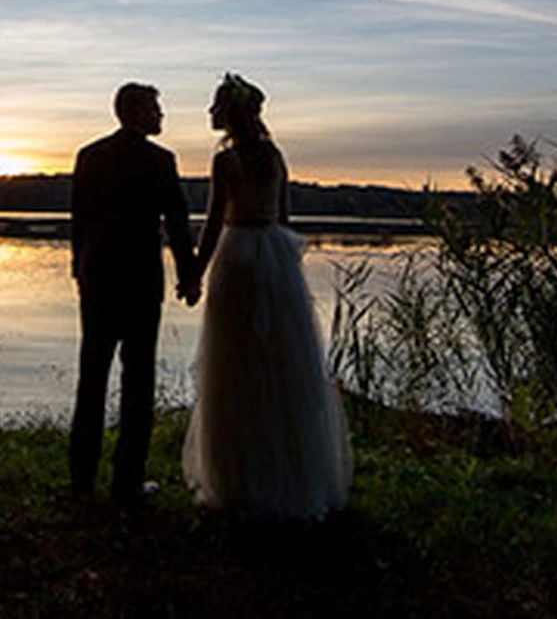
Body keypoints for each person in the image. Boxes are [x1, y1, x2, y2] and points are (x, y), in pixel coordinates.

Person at [183, 73, 352, 519]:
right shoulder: (275, 156)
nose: (210, 114)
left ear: (229, 114)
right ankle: (292, 476)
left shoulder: (226, 162)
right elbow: (283, 215)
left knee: (236, 364)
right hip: (276, 254)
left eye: (215, 106)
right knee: (281, 364)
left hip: (238, 257)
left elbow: (215, 223)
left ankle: (241, 479)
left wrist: (195, 275)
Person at [69, 82, 200, 506]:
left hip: (98, 278)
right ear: (137, 112)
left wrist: (79, 269)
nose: (161, 116)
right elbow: (177, 222)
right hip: (140, 281)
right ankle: (126, 482)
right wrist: (189, 275)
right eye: (156, 109)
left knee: (92, 377)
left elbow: (80, 222)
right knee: (138, 381)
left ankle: (82, 479)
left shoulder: (89, 155)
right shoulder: (160, 160)